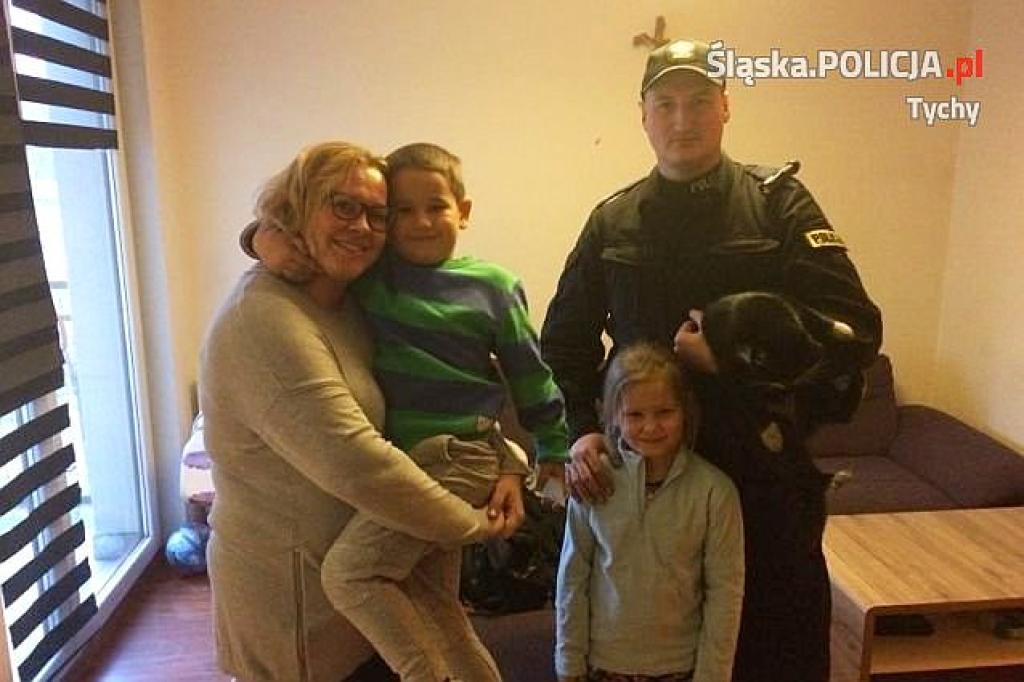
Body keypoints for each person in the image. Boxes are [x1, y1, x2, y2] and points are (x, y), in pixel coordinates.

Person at [540, 39, 883, 681]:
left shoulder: (778, 204)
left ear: (726, 106)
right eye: (665, 103)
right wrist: (582, 430)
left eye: (699, 101)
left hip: (760, 471)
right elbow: (562, 341)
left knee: (777, 648)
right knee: (650, 652)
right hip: (647, 477)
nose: (683, 119)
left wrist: (728, 354)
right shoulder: (613, 221)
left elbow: (855, 332)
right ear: (643, 116)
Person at [243, 142, 570, 680]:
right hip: (408, 461)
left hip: (457, 457)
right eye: (402, 211)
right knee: (440, 611)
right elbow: (304, 240)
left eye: (436, 207)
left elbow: (530, 375)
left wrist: (552, 446)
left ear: (463, 211)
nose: (420, 222)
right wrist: (260, 238)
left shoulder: (493, 287)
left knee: (349, 575)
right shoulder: (373, 277)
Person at [555, 342, 744, 682]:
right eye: (635, 415)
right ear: (614, 415)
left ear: (685, 411)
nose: (651, 427)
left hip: (680, 666)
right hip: (603, 663)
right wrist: (569, 663)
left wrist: (713, 675)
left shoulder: (715, 492)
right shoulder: (592, 483)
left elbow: (725, 593)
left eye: (664, 412)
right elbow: (572, 580)